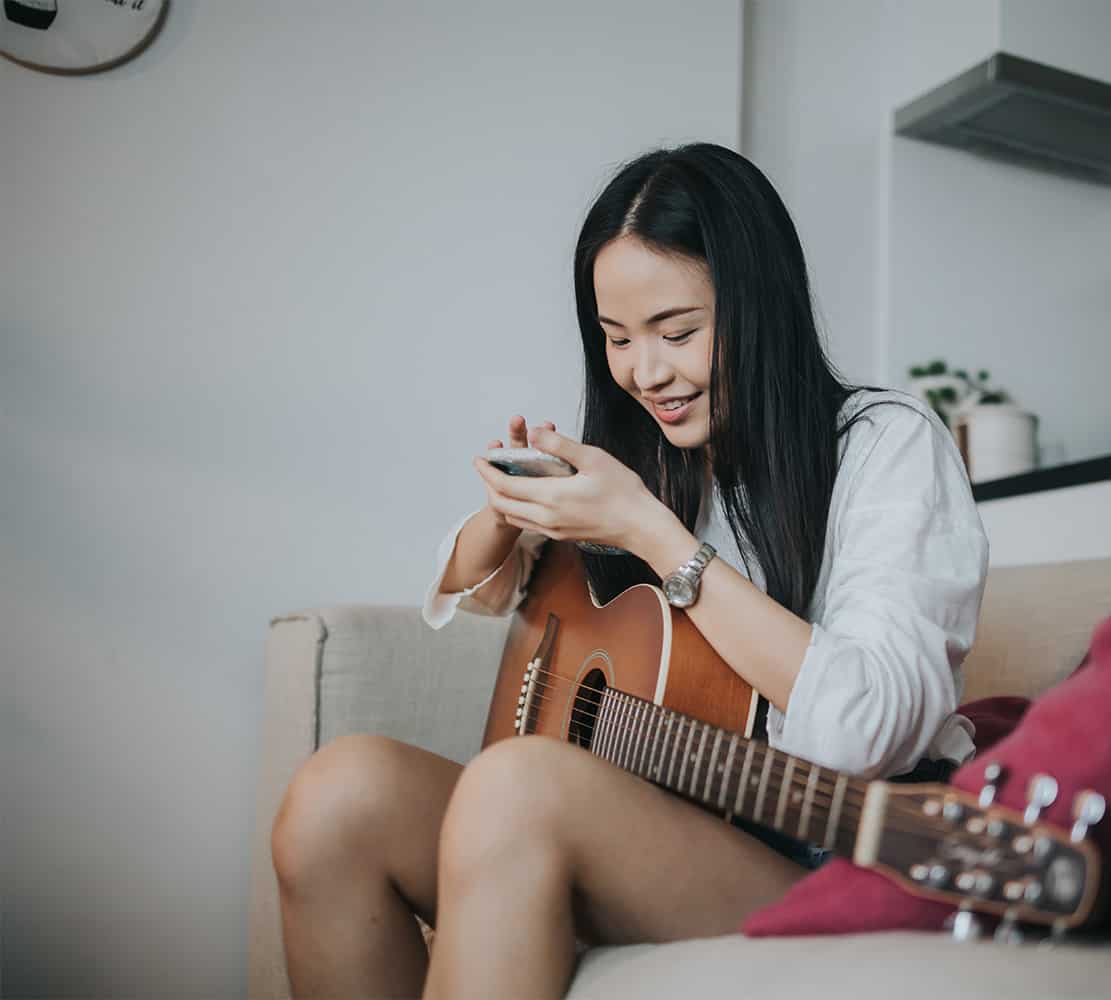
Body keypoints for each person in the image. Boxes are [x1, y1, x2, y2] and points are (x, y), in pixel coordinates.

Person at [270, 142, 990, 999]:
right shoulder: (644, 453)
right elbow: (481, 592)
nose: (647, 373)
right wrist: (508, 513)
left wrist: (657, 536)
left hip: (817, 850)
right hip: (664, 817)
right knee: (336, 796)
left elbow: (867, 728)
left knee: (516, 786)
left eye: (678, 332)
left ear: (761, 306)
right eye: (617, 337)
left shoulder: (885, 444)